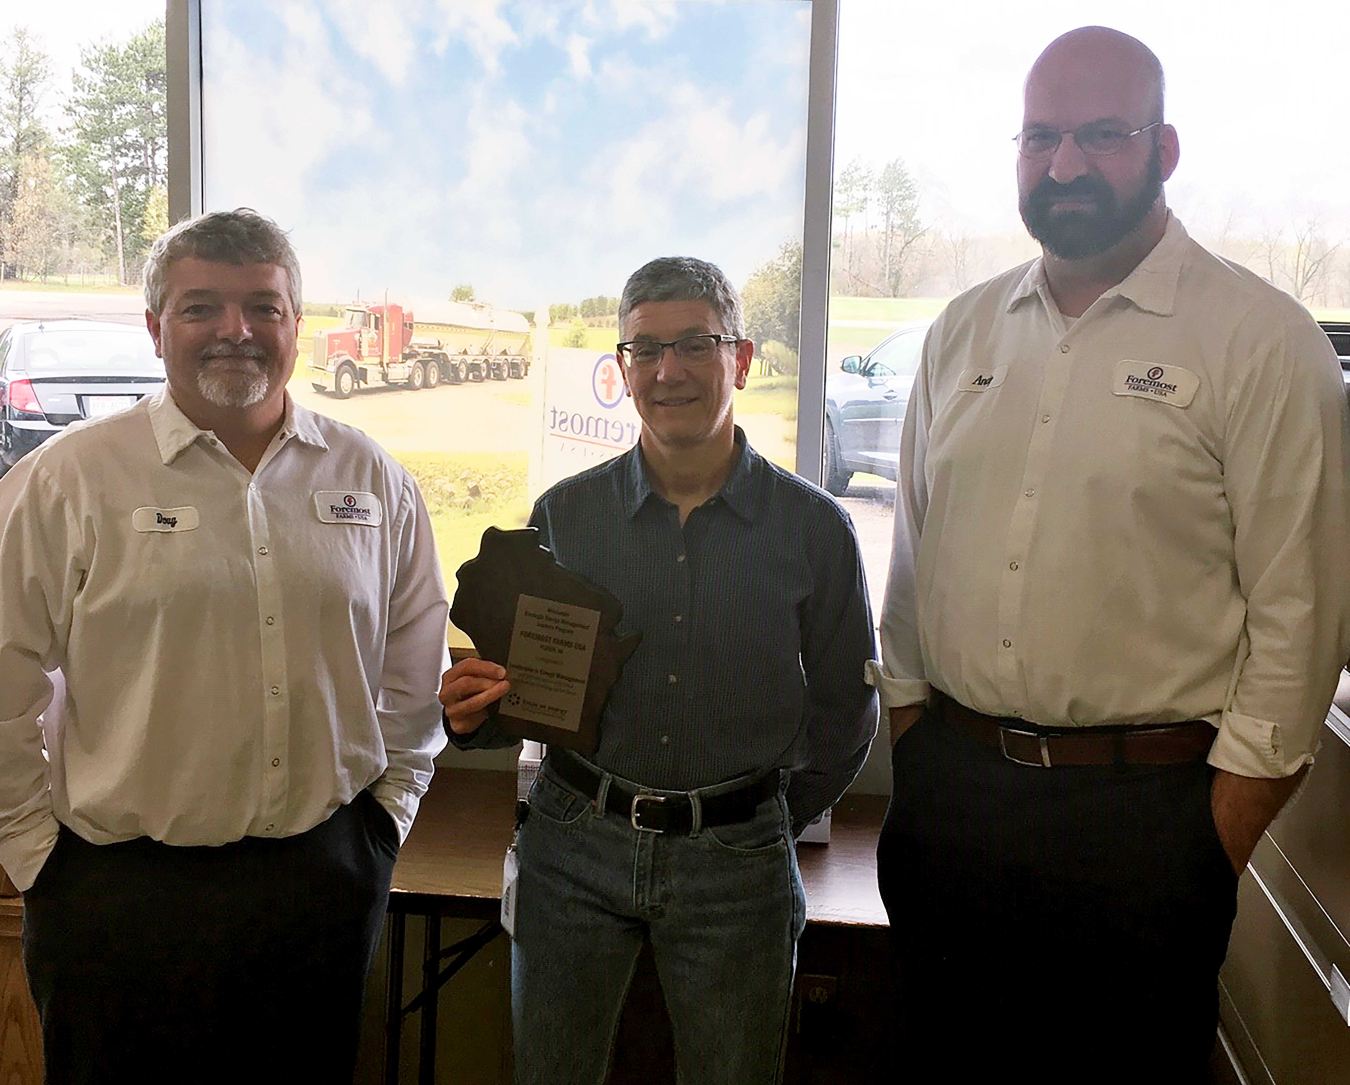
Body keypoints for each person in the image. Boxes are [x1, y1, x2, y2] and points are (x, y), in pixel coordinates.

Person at [870, 26, 1350, 1082]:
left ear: (1165, 149)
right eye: (1041, 136)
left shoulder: (1260, 341)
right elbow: (913, 565)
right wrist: (920, 753)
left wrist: (1203, 845)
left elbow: (1299, 622)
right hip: (953, 805)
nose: (1067, 163)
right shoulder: (961, 333)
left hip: (1146, 825)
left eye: (1103, 134)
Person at [0, 208, 449, 1083]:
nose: (235, 331)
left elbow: (411, 668)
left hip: (320, 883)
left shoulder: (371, 479)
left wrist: (381, 824)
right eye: (201, 306)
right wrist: (34, 857)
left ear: (296, 326)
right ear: (155, 325)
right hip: (116, 895)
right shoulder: (69, 479)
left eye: (262, 307)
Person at [441, 255, 877, 1085]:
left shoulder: (815, 530)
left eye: (694, 345)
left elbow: (847, 714)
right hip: (572, 851)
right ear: (622, 368)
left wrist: (757, 821)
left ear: (741, 360)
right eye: (645, 350)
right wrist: (477, 712)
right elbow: (533, 689)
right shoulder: (563, 516)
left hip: (738, 866)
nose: (668, 370)